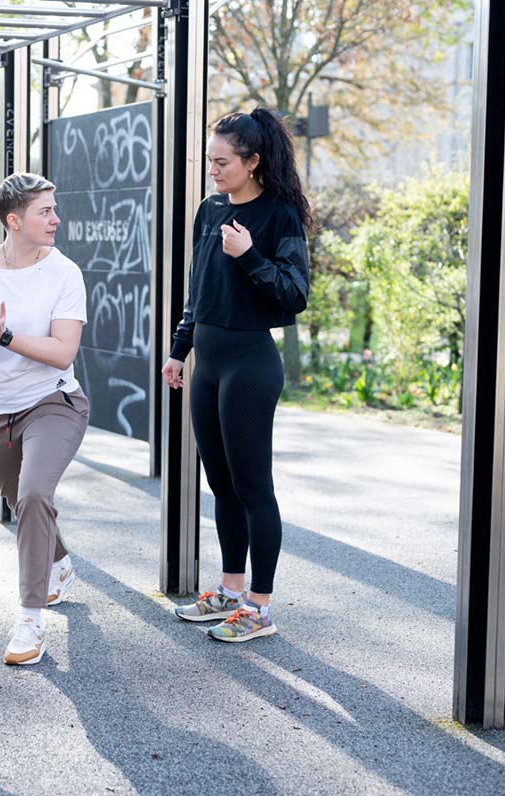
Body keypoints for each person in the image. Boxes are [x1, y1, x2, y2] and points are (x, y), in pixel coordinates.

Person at [163, 109, 311, 643]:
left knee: (253, 487)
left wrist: (250, 256)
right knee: (220, 483)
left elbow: (294, 293)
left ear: (252, 162)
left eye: (222, 162)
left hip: (250, 364)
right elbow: (199, 288)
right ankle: (228, 590)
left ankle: (260, 607)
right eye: (210, 160)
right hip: (207, 362)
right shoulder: (210, 209)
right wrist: (180, 351)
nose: (213, 170)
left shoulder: (278, 216)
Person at [0, 172, 89, 666]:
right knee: (22, 500)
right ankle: (59, 562)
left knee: (32, 495)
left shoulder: (64, 272)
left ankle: (30, 621)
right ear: (14, 220)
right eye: (44, 211)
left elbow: (64, 353)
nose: (56, 219)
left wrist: (4, 336)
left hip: (52, 403)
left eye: (54, 208)